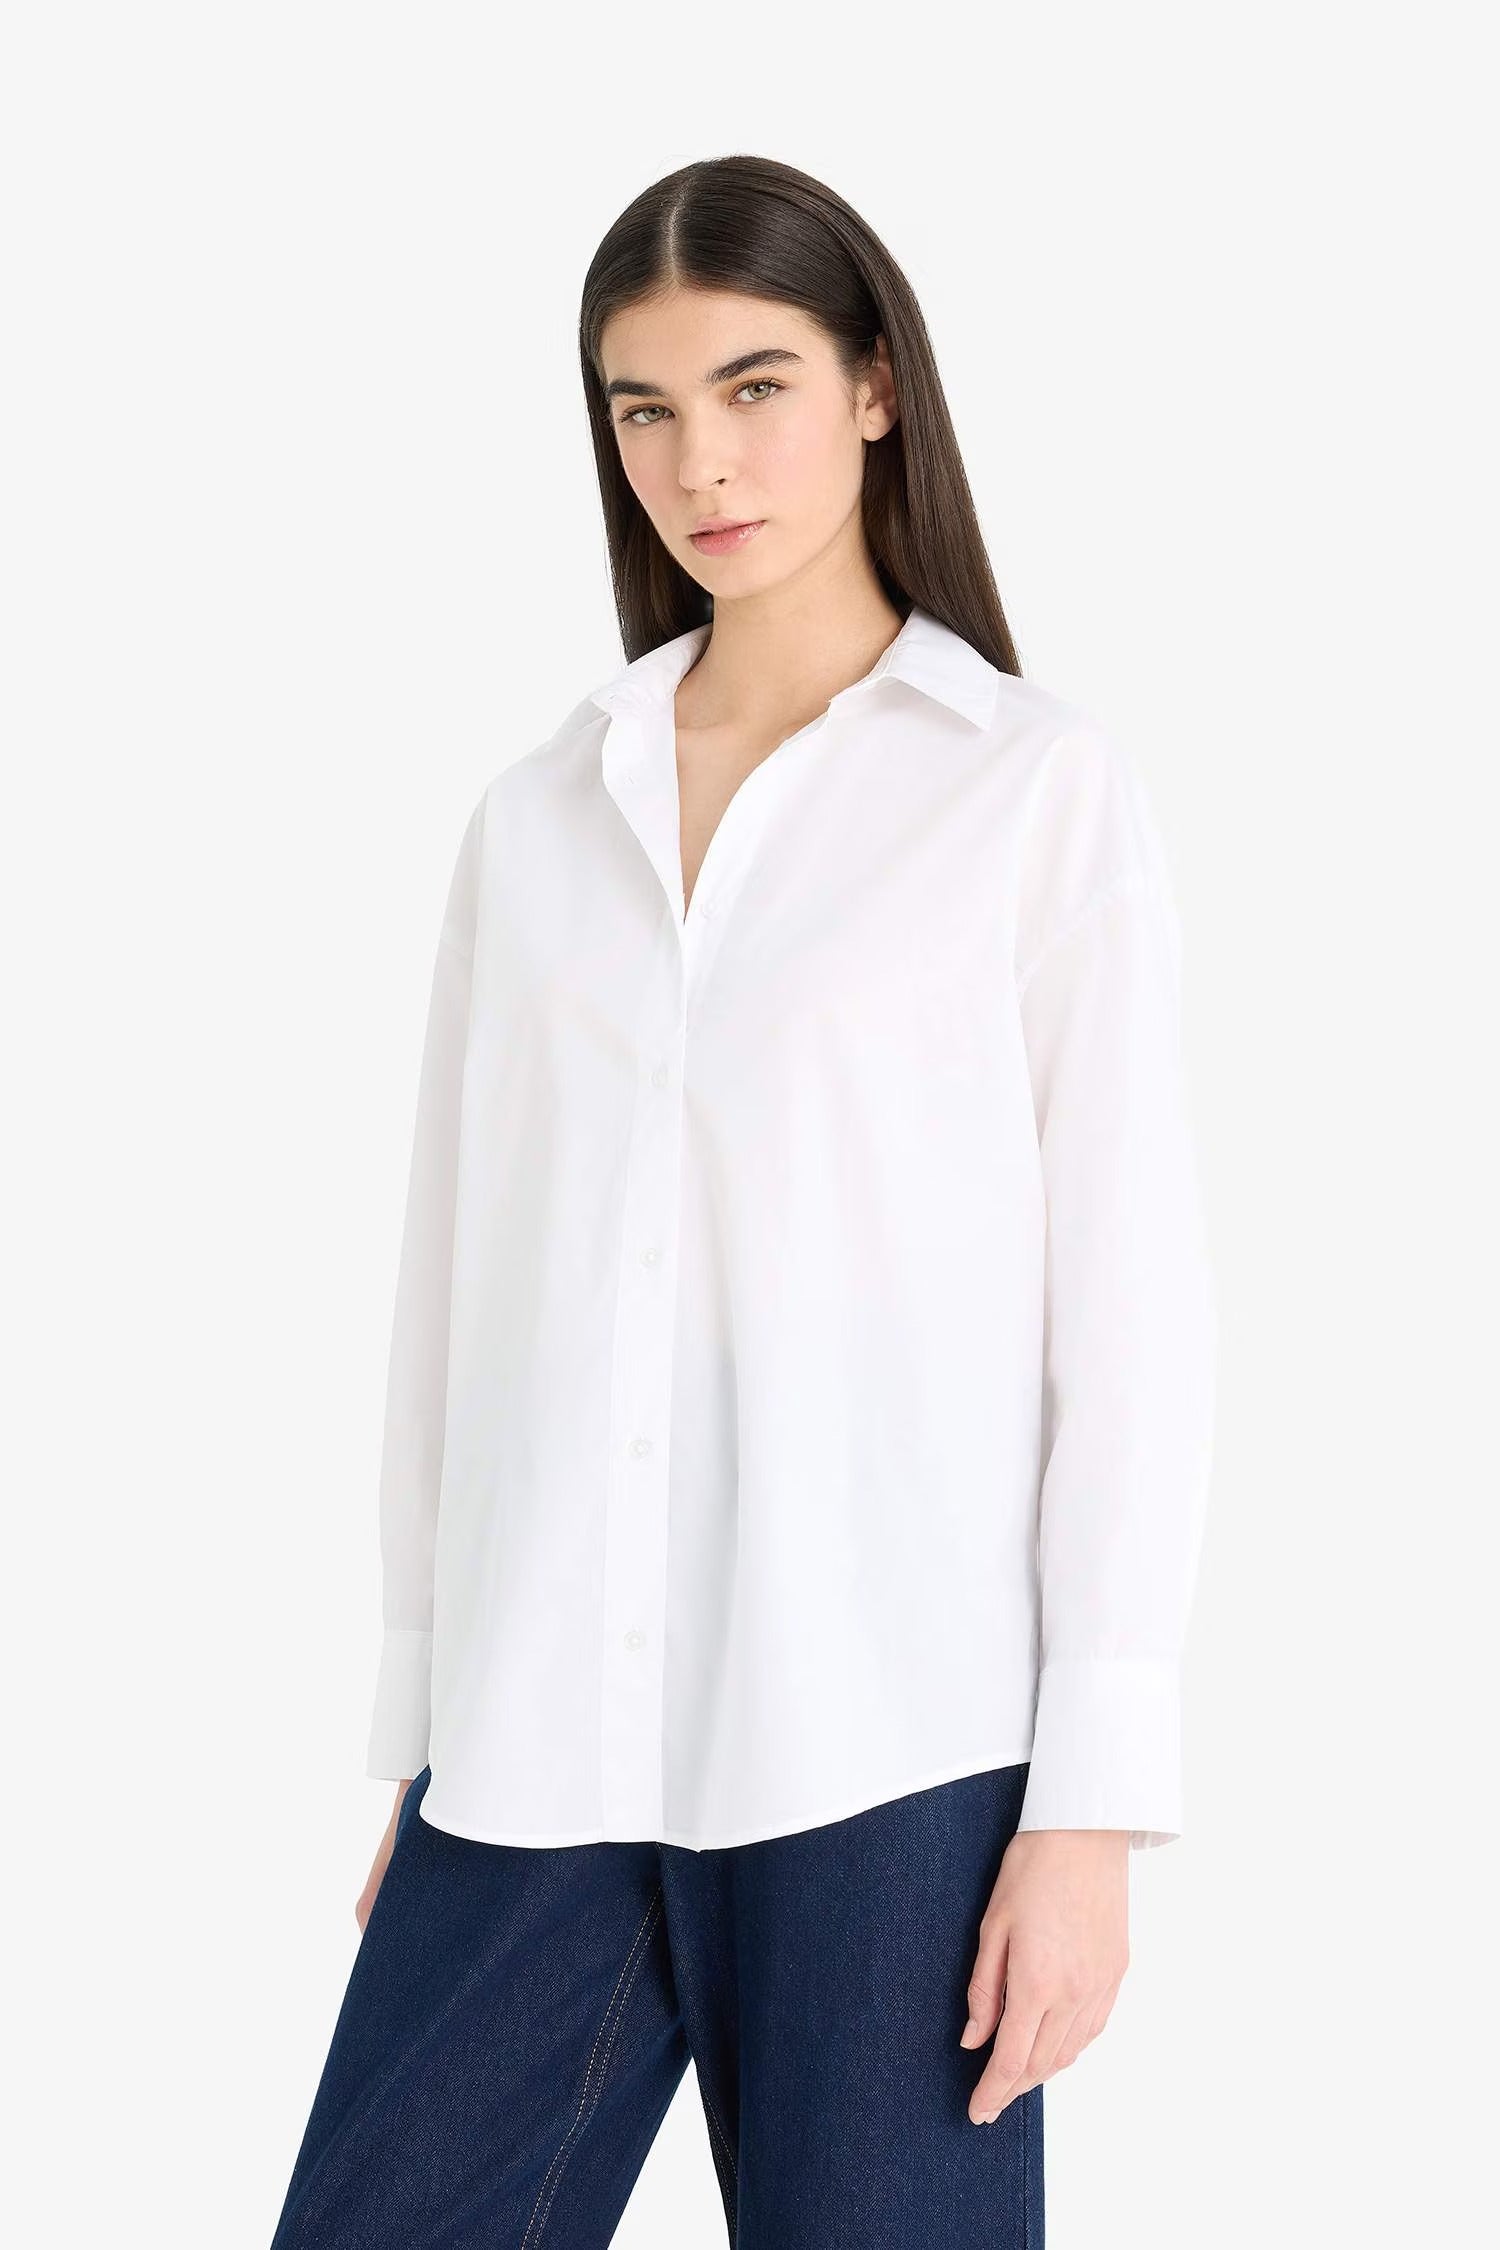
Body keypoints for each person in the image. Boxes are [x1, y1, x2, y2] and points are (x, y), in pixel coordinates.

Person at [269, 152, 1216, 2250]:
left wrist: (1090, 1815)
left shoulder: (1027, 789)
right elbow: (456, 1300)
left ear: (876, 388)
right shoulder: (540, 818)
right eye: (646, 408)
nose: (701, 461)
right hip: (536, 1742)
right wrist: (424, 1739)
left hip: (890, 1754)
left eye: (755, 386)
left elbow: (1129, 1321)